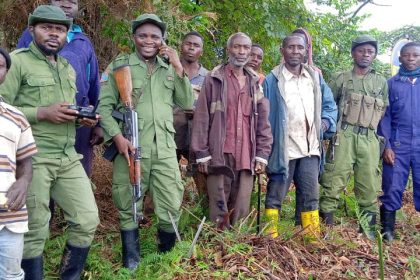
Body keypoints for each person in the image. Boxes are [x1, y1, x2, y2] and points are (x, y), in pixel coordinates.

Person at [0, 5, 100, 279]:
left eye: (60, 29)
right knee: (34, 229)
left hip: (68, 157)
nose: (54, 34)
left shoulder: (67, 68)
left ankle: (70, 275)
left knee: (87, 219)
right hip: (33, 157)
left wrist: (82, 119)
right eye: (47, 28)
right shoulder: (17, 62)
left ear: (67, 35)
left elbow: (65, 110)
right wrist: (41, 113)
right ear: (32, 30)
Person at [98, 13, 193, 269]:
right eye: (143, 35)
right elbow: (104, 108)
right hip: (129, 147)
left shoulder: (169, 69)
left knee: (170, 202)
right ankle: (131, 263)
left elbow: (187, 103)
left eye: (154, 36)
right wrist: (116, 137)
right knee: (129, 202)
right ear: (134, 38)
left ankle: (166, 261)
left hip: (164, 148)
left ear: (162, 40)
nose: (148, 40)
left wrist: (177, 65)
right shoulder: (120, 66)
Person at [191, 32, 273, 229]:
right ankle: (217, 244)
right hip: (219, 152)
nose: (242, 52)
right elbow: (201, 116)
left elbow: (263, 122)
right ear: (229, 50)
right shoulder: (214, 79)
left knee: (241, 205)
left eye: (246, 48)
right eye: (237, 47)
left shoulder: (255, 83)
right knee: (218, 203)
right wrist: (202, 153)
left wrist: (262, 154)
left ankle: (238, 246)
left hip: (246, 153)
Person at [263, 34, 337, 238]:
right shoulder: (272, 80)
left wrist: (325, 122)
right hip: (283, 150)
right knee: (275, 194)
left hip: (310, 149)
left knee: (310, 196)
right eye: (291, 47)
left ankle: (312, 239)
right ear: (282, 51)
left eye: (300, 48)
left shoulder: (315, 77)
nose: (295, 51)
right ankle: (269, 238)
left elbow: (330, 106)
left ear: (306, 51)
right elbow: (263, 115)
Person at [17, 0, 102, 177]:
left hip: (77, 126)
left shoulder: (83, 42)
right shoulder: (28, 39)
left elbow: (93, 83)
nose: (67, 5)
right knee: (40, 184)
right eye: (61, 0)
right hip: (38, 131)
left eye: (73, 1)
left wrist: (96, 122)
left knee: (79, 174)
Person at [319, 35, 388, 238]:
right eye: (361, 51)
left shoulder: (381, 81)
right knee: (333, 180)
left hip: (369, 139)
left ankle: (367, 233)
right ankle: (326, 230)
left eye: (370, 52)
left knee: (369, 185)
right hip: (344, 136)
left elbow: (383, 111)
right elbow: (329, 106)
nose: (365, 55)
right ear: (353, 53)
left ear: (374, 55)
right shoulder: (341, 78)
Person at [0, 48, 37, 280]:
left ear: (5, 74)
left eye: (0, 66)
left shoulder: (16, 117)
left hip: (10, 216)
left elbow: (26, 160)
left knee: (11, 275)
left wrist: (23, 181)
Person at [378, 41, 420, 241]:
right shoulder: (391, 84)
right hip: (398, 143)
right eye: (407, 55)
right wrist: (386, 145)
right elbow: (384, 118)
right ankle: (387, 231)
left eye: (415, 55)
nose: (411, 59)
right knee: (392, 185)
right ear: (400, 58)